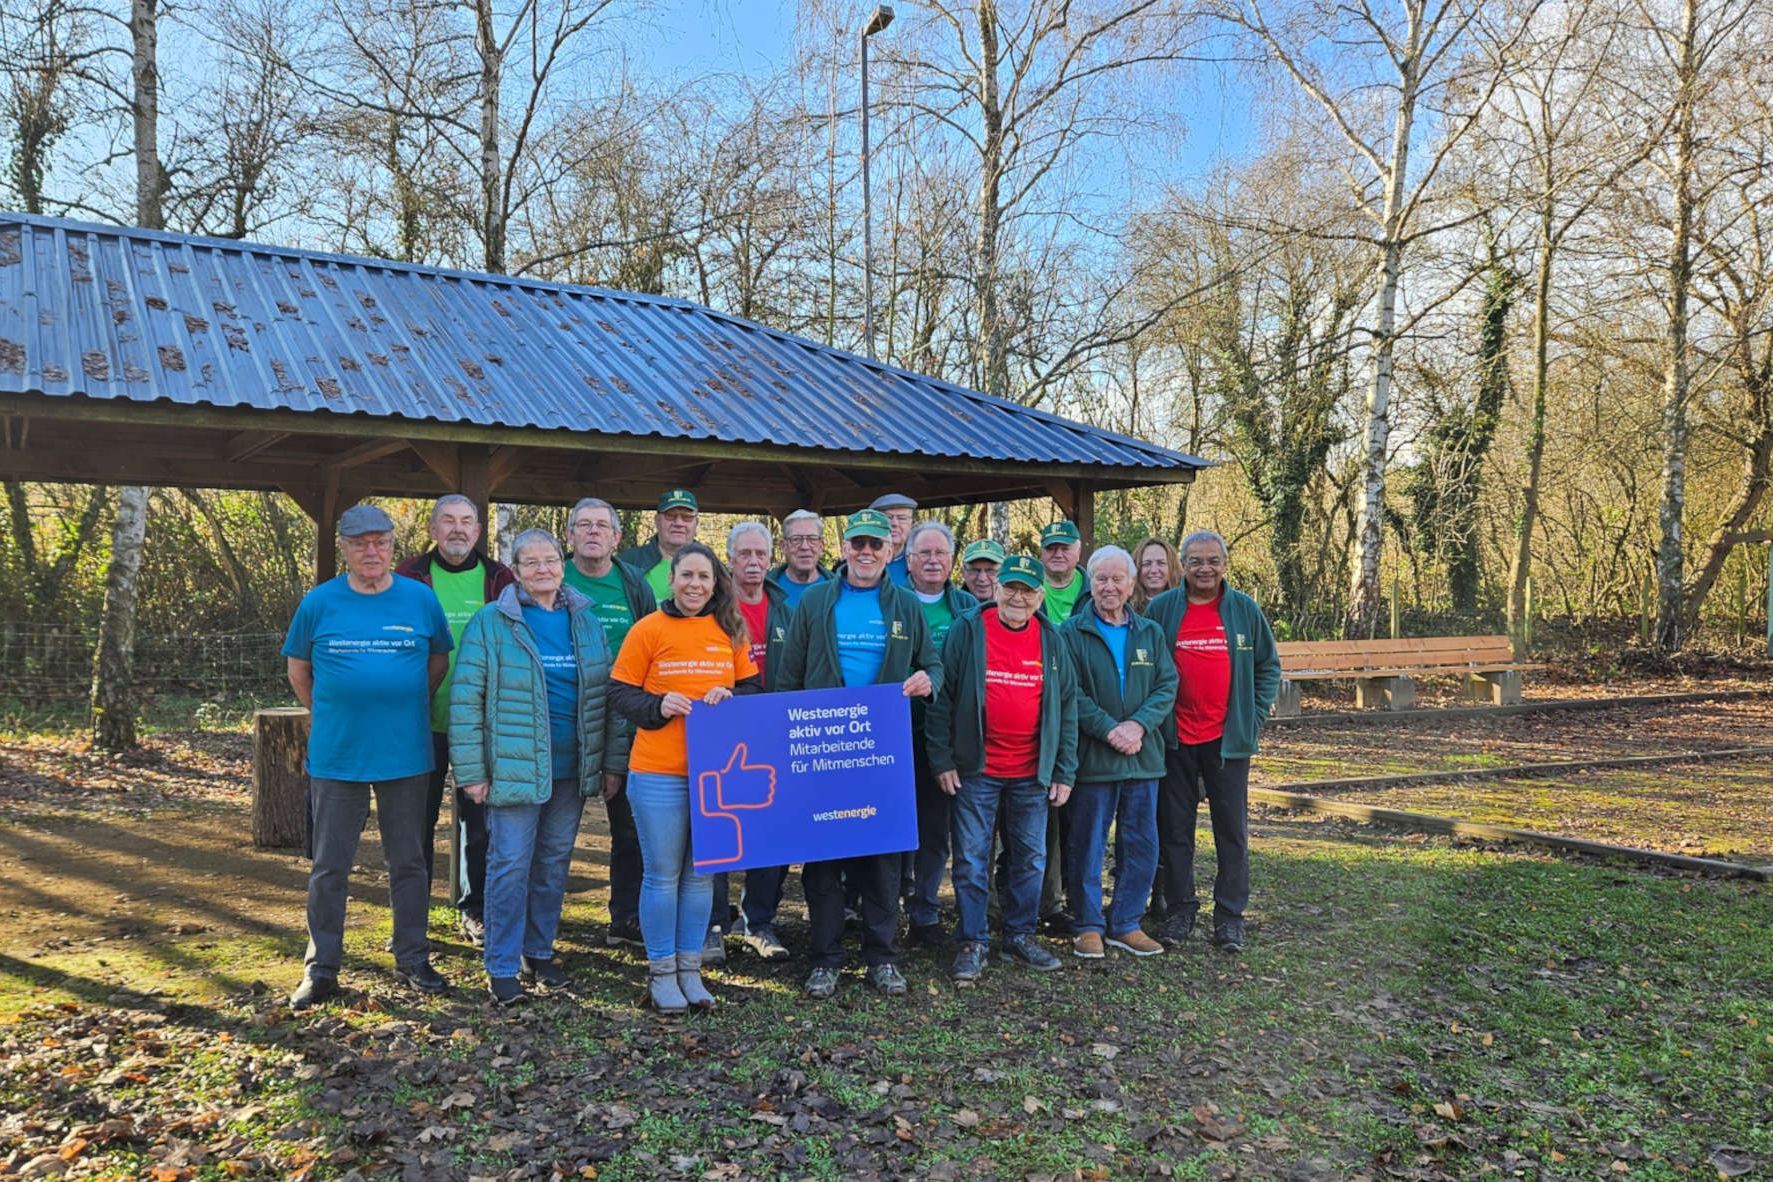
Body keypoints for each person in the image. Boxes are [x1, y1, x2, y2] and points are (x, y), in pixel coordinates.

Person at [283, 503, 453, 1010]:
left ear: (393, 546)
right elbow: (299, 671)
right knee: (330, 865)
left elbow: (437, 662)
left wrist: (397, 704)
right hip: (339, 755)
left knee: (410, 861)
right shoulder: (320, 602)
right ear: (345, 548)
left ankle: (412, 956)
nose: (371, 550)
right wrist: (338, 711)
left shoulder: (420, 600)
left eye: (380, 541)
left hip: (406, 753)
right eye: (360, 543)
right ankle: (322, 968)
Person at [449, 530, 627, 1005]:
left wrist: (611, 762)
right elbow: (465, 703)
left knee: (552, 864)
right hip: (513, 767)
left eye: (551, 560)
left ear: (562, 564)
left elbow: (606, 697)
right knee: (509, 865)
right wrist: (471, 771)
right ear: (516, 570)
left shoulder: (584, 621)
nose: (543, 569)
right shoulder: (492, 623)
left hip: (572, 767)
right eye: (532, 563)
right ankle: (502, 965)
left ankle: (538, 951)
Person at [777, 509, 942, 999]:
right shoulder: (813, 602)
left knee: (882, 860)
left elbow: (932, 663)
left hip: (884, 754)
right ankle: (826, 958)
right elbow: (789, 677)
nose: (867, 552)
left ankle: (881, 958)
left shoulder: (906, 605)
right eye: (858, 544)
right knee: (824, 861)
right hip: (824, 751)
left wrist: (926, 679)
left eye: (876, 545)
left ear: (890, 552)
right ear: (843, 549)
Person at [608, 542, 762, 1013]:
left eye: (705, 577)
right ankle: (662, 974)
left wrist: (730, 692)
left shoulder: (729, 630)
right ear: (671, 580)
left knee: (701, 876)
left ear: (717, 584)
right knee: (662, 875)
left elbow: (752, 688)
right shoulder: (647, 630)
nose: (696, 585)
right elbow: (619, 692)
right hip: (659, 772)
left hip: (714, 775)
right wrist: (657, 706)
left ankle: (691, 971)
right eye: (687, 576)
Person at [926, 554, 1078, 985]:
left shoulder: (1052, 639)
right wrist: (942, 759)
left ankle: (1020, 934)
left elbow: (1066, 709)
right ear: (995, 589)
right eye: (1010, 587)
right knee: (972, 859)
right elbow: (942, 698)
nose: (1017, 596)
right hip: (976, 770)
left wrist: (1064, 769)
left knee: (1030, 858)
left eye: (1027, 590)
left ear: (1039, 597)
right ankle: (973, 940)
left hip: (1032, 772)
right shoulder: (968, 630)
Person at [1144, 531, 1281, 953]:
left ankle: (1229, 917)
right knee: (1176, 831)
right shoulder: (1163, 608)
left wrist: (1251, 718)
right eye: (1196, 561)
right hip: (1175, 738)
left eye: (1213, 560)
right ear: (1181, 565)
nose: (1205, 568)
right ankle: (1181, 910)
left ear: (1225, 563)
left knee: (1231, 832)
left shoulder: (1243, 610)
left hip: (1226, 742)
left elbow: (1267, 668)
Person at [393, 494, 515, 949]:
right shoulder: (408, 577)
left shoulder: (502, 578)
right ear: (432, 528)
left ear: (479, 530)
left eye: (467, 521)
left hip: (482, 724)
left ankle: (475, 910)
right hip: (420, 722)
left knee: (478, 824)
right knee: (414, 825)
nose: (458, 529)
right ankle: (412, 918)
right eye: (448, 521)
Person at [1059, 546, 1176, 959]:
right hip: (1095, 760)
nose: (1109, 587)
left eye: (1116, 580)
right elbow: (1070, 695)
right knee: (1087, 843)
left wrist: (1139, 725)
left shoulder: (1150, 633)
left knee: (1141, 842)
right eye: (1100, 579)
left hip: (1144, 757)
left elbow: (1167, 686)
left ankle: (1126, 922)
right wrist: (1111, 730)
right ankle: (1088, 924)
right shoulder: (1069, 634)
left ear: (1130, 585)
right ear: (1089, 584)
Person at [561, 496, 657, 951]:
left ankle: (626, 918)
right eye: (584, 525)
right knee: (554, 826)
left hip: (625, 717)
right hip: (563, 717)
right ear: (570, 535)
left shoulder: (633, 584)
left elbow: (654, 641)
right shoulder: (551, 578)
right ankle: (539, 924)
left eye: (603, 526)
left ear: (618, 537)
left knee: (629, 825)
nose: (593, 532)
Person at [708, 522, 795, 964]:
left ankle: (758, 921)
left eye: (762, 554)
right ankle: (713, 923)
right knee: (719, 823)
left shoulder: (785, 606)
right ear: (730, 558)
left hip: (773, 730)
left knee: (771, 829)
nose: (754, 562)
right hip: (720, 732)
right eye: (745, 554)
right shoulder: (710, 607)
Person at [900, 521, 977, 946]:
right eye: (923, 553)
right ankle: (879, 905)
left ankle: (925, 915)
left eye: (940, 554)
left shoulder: (967, 608)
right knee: (891, 829)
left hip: (944, 740)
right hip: (891, 735)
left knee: (935, 830)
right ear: (908, 560)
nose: (932, 560)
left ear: (952, 560)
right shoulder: (889, 601)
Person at [617, 488, 700, 602]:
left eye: (687, 517)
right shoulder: (628, 562)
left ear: (696, 523)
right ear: (657, 520)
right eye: (670, 516)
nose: (679, 523)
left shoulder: (713, 565)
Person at [767, 509, 833, 610]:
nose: (805, 547)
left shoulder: (840, 589)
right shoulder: (766, 589)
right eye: (796, 539)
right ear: (783, 546)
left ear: (821, 546)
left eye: (812, 538)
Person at [1038, 521, 1089, 620]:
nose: (1058, 555)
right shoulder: (1027, 586)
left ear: (1078, 552)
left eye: (1065, 549)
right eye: (1051, 549)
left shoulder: (1094, 589)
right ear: (1042, 552)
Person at [869, 493, 918, 585]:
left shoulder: (918, 562)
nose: (894, 523)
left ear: (911, 525)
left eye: (902, 518)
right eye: (887, 518)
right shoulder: (858, 561)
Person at [1130, 536, 1181, 616]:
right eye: (1147, 563)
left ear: (1172, 567)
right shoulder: (1125, 609)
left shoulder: (1184, 604)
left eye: (1161, 563)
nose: (1154, 570)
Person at [960, 538, 1004, 606]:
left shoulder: (1016, 609)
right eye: (975, 570)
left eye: (990, 571)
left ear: (1003, 573)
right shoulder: (951, 607)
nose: (982, 578)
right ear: (963, 572)